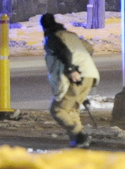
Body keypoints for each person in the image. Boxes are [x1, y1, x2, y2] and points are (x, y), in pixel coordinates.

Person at [40, 12, 99, 149]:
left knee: (58, 110)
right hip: (90, 74)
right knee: (71, 109)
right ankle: (78, 141)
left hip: (76, 76)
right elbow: (89, 48)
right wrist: (82, 63)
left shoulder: (52, 38)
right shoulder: (71, 36)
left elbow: (64, 53)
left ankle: (80, 135)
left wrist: (72, 69)